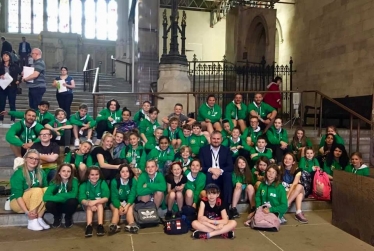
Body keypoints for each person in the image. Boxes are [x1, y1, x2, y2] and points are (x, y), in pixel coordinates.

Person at [9, 149, 49, 231]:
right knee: (37, 190)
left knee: (47, 190)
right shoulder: (19, 173)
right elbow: (18, 195)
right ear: (25, 159)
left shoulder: (41, 172)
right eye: (31, 158)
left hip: (32, 202)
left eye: (36, 159)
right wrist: (27, 212)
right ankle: (32, 220)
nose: (34, 161)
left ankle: (39, 218)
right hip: (17, 203)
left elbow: (46, 191)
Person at [199, 131, 233, 207]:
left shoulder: (226, 150)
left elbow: (230, 166)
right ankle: (209, 206)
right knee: (208, 175)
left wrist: (220, 171)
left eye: (218, 139)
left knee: (228, 175)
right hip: (210, 173)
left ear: (221, 139)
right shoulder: (203, 150)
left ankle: (226, 206)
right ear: (210, 139)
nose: (216, 141)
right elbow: (201, 167)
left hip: (222, 173)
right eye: (214, 138)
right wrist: (211, 169)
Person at [43, 163, 79, 228]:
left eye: (68, 171)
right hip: (58, 206)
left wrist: (59, 195)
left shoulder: (74, 181)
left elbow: (74, 195)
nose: (66, 173)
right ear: (59, 172)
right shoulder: (54, 181)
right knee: (49, 204)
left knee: (73, 201)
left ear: (71, 173)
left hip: (68, 206)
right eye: (63, 171)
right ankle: (57, 217)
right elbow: (45, 197)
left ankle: (68, 217)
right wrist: (61, 198)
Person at [79, 167, 109, 237]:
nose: (94, 176)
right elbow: (81, 199)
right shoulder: (84, 184)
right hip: (87, 203)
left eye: (96, 174)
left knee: (99, 204)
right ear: (88, 175)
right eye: (92, 175)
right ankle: (89, 226)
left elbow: (106, 197)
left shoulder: (102, 182)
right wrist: (89, 203)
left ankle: (100, 225)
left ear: (99, 175)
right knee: (89, 206)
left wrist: (94, 202)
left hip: (100, 202)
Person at [280, 153, 311, 224]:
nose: (287, 160)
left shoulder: (297, 170)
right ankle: (298, 212)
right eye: (285, 158)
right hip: (285, 190)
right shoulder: (279, 169)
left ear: (293, 162)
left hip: (294, 190)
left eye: (290, 159)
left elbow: (294, 184)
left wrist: (287, 198)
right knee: (298, 194)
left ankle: (285, 206)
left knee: (299, 186)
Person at [109, 164, 139, 234]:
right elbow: (114, 197)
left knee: (130, 209)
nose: (125, 173)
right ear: (119, 173)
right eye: (122, 172)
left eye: (127, 171)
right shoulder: (114, 181)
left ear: (130, 172)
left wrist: (127, 205)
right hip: (117, 201)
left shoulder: (133, 181)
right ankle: (114, 225)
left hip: (128, 201)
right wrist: (119, 206)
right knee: (115, 210)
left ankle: (132, 225)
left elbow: (132, 195)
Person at [0, 51, 21, 125]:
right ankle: (1, 119)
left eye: (6, 55)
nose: (5, 57)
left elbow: (21, 73)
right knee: (1, 104)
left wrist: (19, 80)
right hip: (2, 87)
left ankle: (12, 119)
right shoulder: (0, 65)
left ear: (9, 57)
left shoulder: (15, 66)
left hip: (12, 87)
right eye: (3, 55)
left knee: (12, 104)